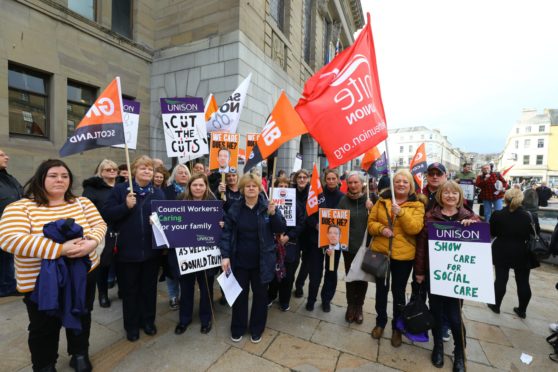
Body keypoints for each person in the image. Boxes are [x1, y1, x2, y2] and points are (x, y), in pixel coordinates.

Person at [0, 159, 106, 371]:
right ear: (41, 178)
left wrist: (92, 242)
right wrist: (61, 249)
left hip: (83, 275)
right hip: (40, 282)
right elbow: (10, 239)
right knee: (43, 327)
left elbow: (99, 224)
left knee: (82, 314)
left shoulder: (82, 203)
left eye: (64, 176)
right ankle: (44, 364)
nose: (60, 180)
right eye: (53, 175)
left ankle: (79, 353)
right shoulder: (21, 207)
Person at [414, 180, 479, 371]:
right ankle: (438, 347)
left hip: (457, 277)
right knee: (436, 312)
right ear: (440, 196)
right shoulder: (430, 217)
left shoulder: (468, 215)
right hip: (435, 275)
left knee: (455, 316)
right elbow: (421, 248)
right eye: (446, 193)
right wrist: (419, 272)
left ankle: (459, 351)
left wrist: (473, 223)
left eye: (454, 193)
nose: (450, 196)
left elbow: (482, 233)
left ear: (460, 197)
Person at [104, 155, 165, 342]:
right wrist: (125, 206)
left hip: (150, 252)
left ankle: (148, 321)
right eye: (142, 168)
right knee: (130, 291)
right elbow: (107, 214)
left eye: (149, 168)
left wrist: (158, 222)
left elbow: (168, 220)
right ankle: (131, 326)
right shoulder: (121, 190)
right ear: (134, 171)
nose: (147, 171)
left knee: (149, 290)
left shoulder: (158, 193)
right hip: (126, 252)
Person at [219, 173, 286, 343]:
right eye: (247, 186)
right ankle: (238, 327)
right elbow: (226, 233)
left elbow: (279, 228)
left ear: (259, 189)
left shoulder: (267, 206)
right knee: (240, 296)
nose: (250, 188)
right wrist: (225, 256)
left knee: (260, 297)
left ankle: (257, 328)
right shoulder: (235, 208)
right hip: (240, 261)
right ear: (242, 189)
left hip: (262, 262)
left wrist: (273, 214)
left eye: (254, 186)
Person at [368, 169, 425, 347]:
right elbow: (371, 224)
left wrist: (401, 213)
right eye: (398, 181)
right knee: (381, 291)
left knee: (398, 293)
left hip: (403, 257)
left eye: (405, 182)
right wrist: (381, 229)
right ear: (393, 184)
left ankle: (397, 328)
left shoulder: (417, 205)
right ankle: (380, 322)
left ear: (411, 186)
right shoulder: (382, 201)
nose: (401, 184)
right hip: (380, 252)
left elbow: (415, 228)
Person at [174, 173, 219, 335]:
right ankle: (184, 319)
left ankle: (206, 319)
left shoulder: (212, 201)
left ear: (206, 186)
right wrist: (158, 220)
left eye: (201, 185)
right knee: (186, 288)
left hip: (206, 255)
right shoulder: (180, 200)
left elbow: (223, 220)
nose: (198, 188)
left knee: (206, 288)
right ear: (189, 186)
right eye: (195, 185)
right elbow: (171, 219)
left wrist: (221, 221)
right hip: (186, 254)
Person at [488, 188, 535, 319]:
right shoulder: (530, 216)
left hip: (501, 249)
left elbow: (492, 232)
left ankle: (496, 305)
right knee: (523, 281)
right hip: (522, 250)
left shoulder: (497, 214)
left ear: (505, 199)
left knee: (501, 279)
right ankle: (522, 310)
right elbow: (534, 233)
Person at [304, 168, 344, 312]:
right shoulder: (318, 194)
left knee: (331, 272)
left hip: (334, 242)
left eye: (334, 179)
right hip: (316, 240)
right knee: (315, 272)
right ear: (325, 180)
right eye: (329, 179)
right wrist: (316, 225)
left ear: (338, 180)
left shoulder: (342, 197)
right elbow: (309, 213)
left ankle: (326, 300)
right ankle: (311, 299)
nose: (331, 181)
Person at [82, 159, 119, 308]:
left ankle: (122, 289)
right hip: (103, 231)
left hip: (121, 229)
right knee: (103, 265)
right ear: (101, 171)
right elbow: (85, 211)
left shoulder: (123, 186)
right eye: (108, 169)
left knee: (121, 263)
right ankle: (102, 294)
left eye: (114, 169)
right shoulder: (92, 189)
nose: (112, 172)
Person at [337, 171, 373, 324]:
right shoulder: (343, 201)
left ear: (362, 184)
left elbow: (378, 221)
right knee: (351, 277)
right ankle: (350, 306)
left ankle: (359, 307)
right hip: (349, 247)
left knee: (362, 278)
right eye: (350, 183)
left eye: (355, 182)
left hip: (365, 247)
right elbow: (336, 222)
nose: (352, 185)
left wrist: (372, 209)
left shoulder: (370, 200)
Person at [267, 176, 306, 311]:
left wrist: (288, 236)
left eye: (285, 186)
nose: (282, 188)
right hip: (273, 244)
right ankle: (271, 296)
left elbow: (301, 224)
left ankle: (284, 300)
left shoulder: (296, 204)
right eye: (280, 186)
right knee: (272, 273)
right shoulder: (269, 204)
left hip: (290, 245)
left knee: (288, 275)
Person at [162, 164, 192, 311]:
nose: (183, 175)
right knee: (171, 268)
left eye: (186, 172)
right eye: (180, 173)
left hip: (190, 237)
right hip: (172, 237)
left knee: (186, 269)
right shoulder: (166, 191)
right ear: (174, 175)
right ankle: (174, 296)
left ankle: (186, 296)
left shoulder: (194, 190)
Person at [0, 149, 23, 297]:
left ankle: (7, 286)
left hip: (10, 226)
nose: (7, 157)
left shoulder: (9, 178)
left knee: (7, 257)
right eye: (1, 155)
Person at [293, 169, 310, 298]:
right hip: (295, 231)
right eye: (300, 177)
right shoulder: (290, 191)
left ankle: (299, 285)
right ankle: (289, 281)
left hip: (309, 232)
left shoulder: (313, 192)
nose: (302, 179)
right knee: (293, 260)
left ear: (308, 179)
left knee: (307, 262)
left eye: (304, 177)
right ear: (296, 179)